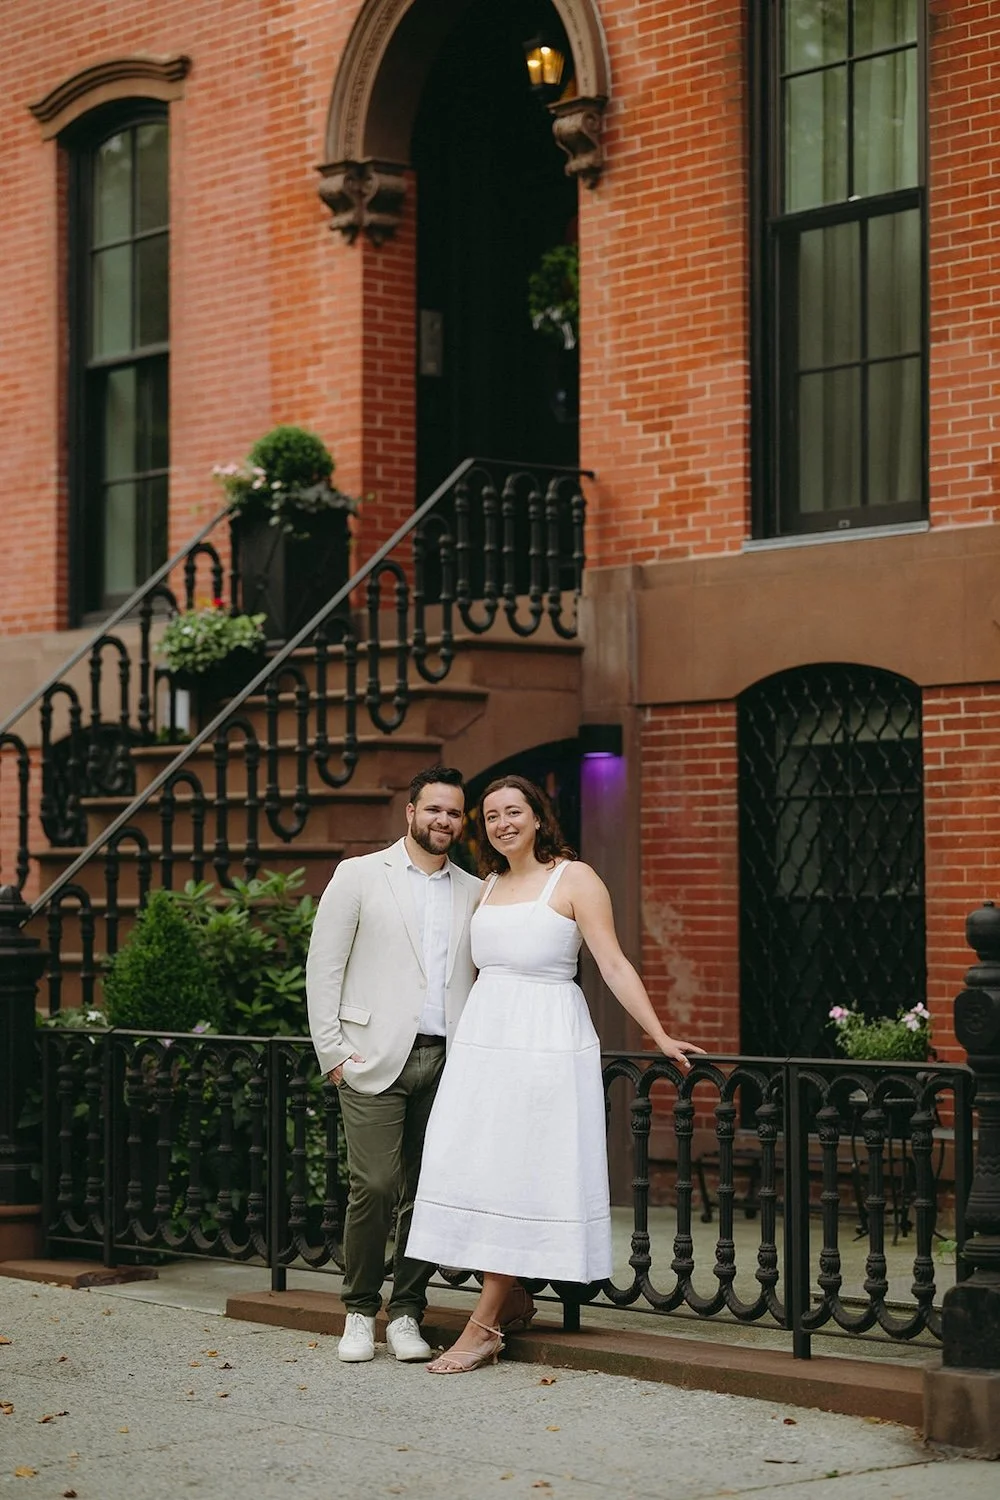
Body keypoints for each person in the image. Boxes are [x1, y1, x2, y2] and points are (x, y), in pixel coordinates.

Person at [407, 773, 704, 1374]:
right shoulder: (486, 886)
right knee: (482, 1170)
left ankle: (484, 1324)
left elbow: (614, 964)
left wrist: (659, 1033)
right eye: (490, 816)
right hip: (484, 1043)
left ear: (538, 817)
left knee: (521, 1171)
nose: (502, 824)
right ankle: (513, 1297)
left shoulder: (575, 879)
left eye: (513, 812)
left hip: (545, 1040)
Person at [305, 765, 481, 1364]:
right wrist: (333, 1053)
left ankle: (406, 1312)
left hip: (446, 1060)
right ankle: (358, 1311)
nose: (444, 821)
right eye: (434, 809)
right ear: (410, 812)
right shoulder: (357, 875)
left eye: (454, 813)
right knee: (375, 1186)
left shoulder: (474, 889)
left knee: (427, 1194)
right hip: (373, 1058)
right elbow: (323, 967)